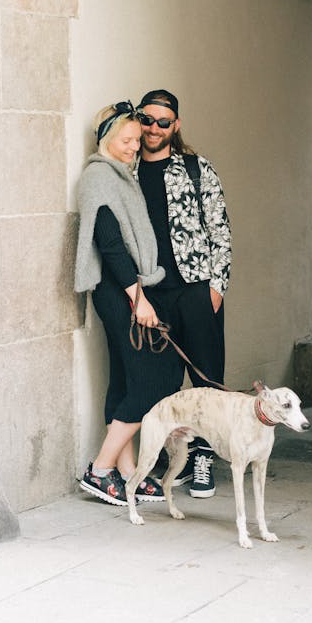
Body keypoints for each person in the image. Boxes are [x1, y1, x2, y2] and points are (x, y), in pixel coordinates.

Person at [75, 100, 184, 506]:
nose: (135, 147)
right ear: (105, 139)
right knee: (155, 379)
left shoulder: (122, 176)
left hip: (126, 288)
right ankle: (100, 470)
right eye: (127, 140)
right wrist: (138, 300)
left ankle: (128, 473)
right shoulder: (99, 179)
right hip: (118, 289)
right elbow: (111, 247)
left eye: (137, 141)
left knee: (124, 379)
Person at [136, 89, 231, 498]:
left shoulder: (194, 168)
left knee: (207, 380)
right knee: (160, 380)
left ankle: (205, 460)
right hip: (152, 293)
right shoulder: (127, 169)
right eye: (147, 119)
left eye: (162, 121)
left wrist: (216, 286)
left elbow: (220, 227)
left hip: (195, 289)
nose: (153, 128)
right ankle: (169, 459)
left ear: (175, 126)